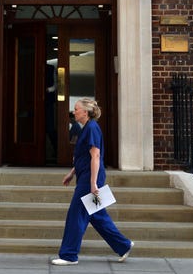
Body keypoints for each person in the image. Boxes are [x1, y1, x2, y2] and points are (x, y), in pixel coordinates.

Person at [51, 98, 134, 266]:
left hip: (90, 180)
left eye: (76, 109)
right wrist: (72, 173)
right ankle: (123, 245)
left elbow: (95, 156)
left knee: (76, 215)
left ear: (85, 112)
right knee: (97, 216)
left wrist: (93, 183)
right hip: (86, 177)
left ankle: (69, 255)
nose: (74, 112)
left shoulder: (92, 128)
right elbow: (84, 157)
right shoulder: (87, 128)